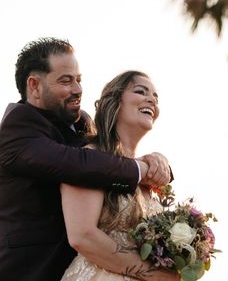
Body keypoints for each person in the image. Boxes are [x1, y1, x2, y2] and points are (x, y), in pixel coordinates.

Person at [0, 38, 172, 281]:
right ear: (34, 86)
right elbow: (79, 163)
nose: (78, 89)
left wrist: (151, 161)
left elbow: (106, 159)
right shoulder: (17, 128)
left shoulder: (82, 124)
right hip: (24, 271)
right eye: (66, 81)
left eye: (79, 80)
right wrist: (139, 169)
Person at [60, 71, 179, 281]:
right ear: (114, 101)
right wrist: (152, 274)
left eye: (155, 97)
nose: (151, 99)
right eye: (140, 91)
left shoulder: (147, 175)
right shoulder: (90, 159)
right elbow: (83, 236)